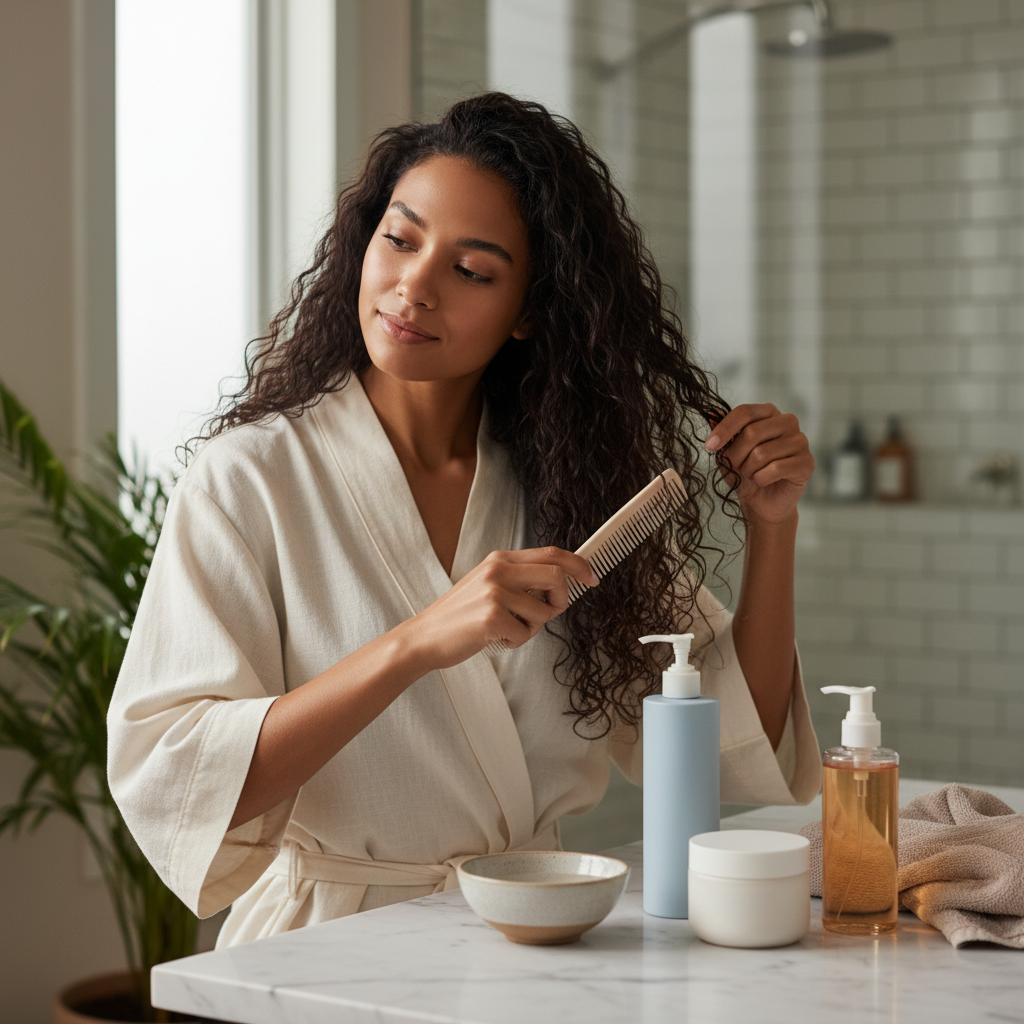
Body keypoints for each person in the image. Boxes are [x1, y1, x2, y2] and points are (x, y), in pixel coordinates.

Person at [108, 93, 820, 947]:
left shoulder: (569, 490)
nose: (414, 286)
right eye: (400, 240)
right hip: (326, 948)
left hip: (538, 936)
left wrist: (773, 527)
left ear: (527, 312)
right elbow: (177, 775)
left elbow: (730, 739)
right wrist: (417, 641)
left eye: (471, 271)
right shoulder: (248, 483)